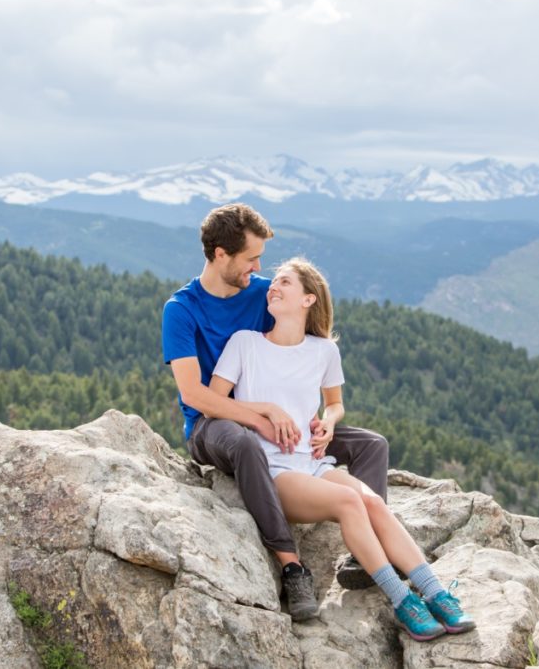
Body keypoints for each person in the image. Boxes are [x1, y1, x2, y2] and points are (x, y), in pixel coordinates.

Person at [209, 257, 475, 640]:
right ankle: (403, 601)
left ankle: (435, 592)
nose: (273, 287)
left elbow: (334, 403)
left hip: (314, 462)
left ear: (308, 299)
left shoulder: (323, 351)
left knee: (373, 503)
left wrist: (329, 422)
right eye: (274, 282)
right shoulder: (245, 344)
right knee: (350, 502)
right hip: (274, 469)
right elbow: (217, 401)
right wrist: (266, 409)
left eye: (284, 282)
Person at [161, 202, 390, 621]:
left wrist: (323, 420)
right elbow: (194, 394)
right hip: (212, 425)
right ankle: (291, 565)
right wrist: (260, 414)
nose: (259, 268)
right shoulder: (182, 309)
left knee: (371, 445)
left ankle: (365, 554)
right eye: (251, 258)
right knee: (247, 443)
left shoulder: (265, 292)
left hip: (282, 426)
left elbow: (306, 341)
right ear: (220, 255)